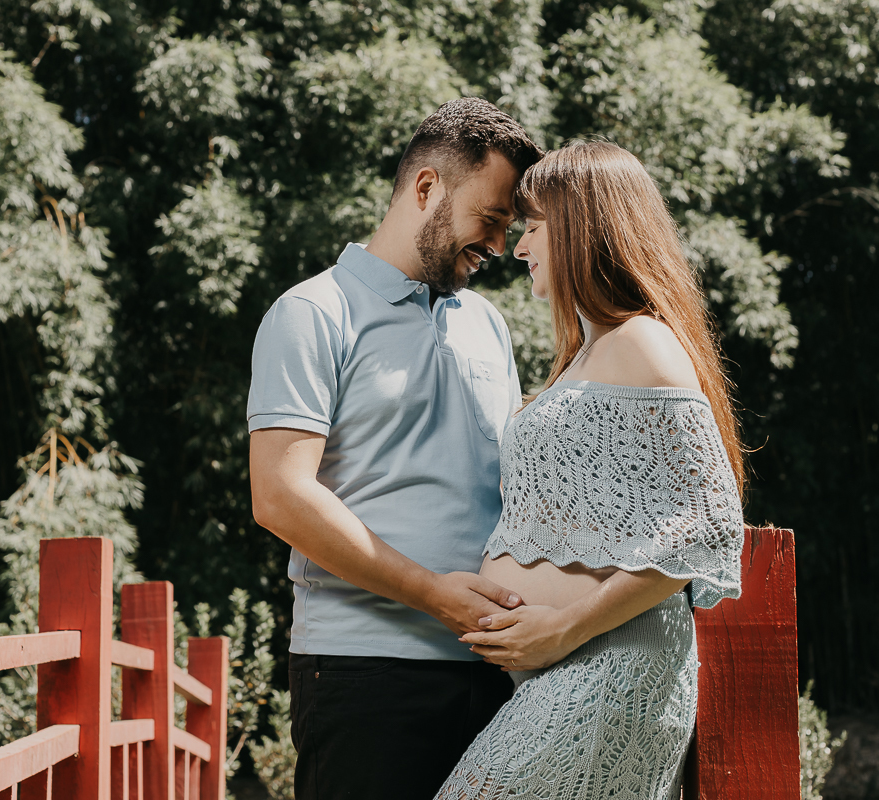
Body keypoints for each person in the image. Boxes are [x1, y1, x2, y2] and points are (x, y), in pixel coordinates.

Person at [247, 98, 543, 800]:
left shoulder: (489, 324)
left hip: (496, 671)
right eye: (491, 217)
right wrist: (435, 596)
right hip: (363, 672)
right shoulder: (312, 313)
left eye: (510, 226)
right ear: (427, 187)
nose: (499, 244)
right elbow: (280, 496)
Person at [435, 140, 746, 799]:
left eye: (534, 227)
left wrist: (565, 626)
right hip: (565, 671)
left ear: (585, 227)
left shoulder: (643, 342)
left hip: (611, 665)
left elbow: (707, 524)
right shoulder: (590, 352)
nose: (519, 247)